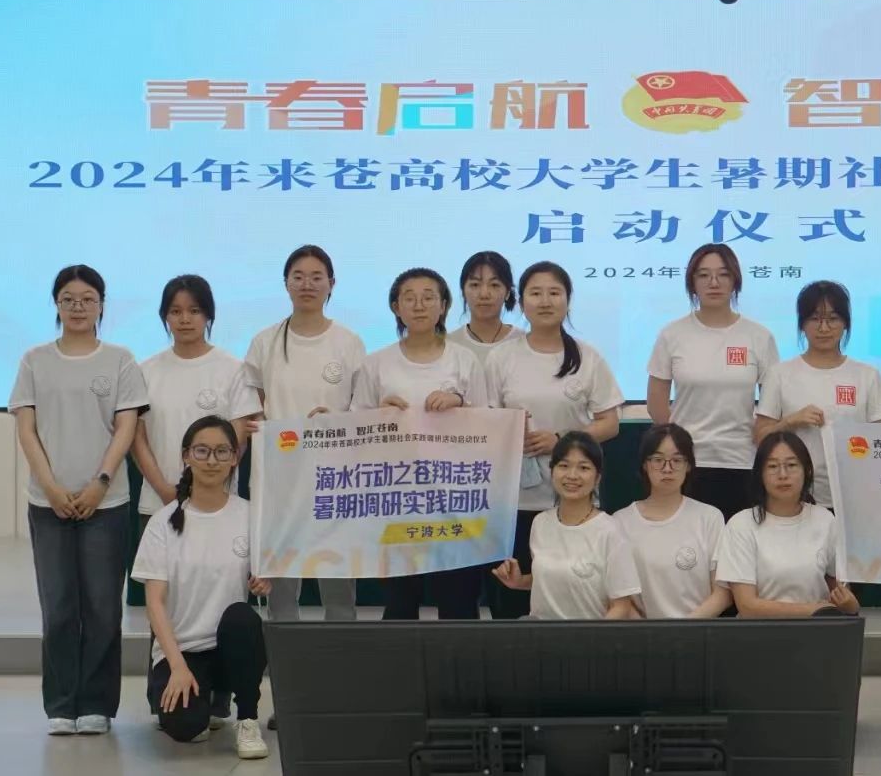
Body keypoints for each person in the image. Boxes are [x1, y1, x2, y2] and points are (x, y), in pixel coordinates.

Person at [9, 264, 149, 736]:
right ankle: (61, 705)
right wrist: (50, 486)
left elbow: (126, 427)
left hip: (106, 504)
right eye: (68, 299)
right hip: (46, 502)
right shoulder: (34, 360)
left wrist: (101, 481)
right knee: (59, 607)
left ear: (102, 305)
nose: (78, 307)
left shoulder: (120, 359)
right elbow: (26, 429)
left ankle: (96, 705)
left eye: (88, 299)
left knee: (103, 607)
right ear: (56, 304)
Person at [242, 245, 365, 729]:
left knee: (339, 597)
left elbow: (363, 410)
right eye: (298, 275)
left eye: (317, 276)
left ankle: (338, 695)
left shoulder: (349, 342)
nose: (308, 283)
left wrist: (335, 421)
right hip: (280, 484)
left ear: (332, 284)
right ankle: (290, 699)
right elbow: (249, 406)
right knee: (282, 597)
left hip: (336, 484)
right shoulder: (265, 342)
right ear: (286, 283)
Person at [484, 262, 624, 619]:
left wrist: (560, 441)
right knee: (511, 600)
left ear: (567, 299)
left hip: (574, 502)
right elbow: (486, 424)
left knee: (575, 597)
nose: (545, 301)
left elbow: (610, 423)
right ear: (521, 301)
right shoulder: (502, 357)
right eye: (535, 293)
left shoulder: (587, 356)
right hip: (513, 504)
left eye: (554, 293)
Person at [351, 267, 488, 620]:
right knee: (400, 602)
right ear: (395, 307)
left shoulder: (464, 360)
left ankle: (457, 659)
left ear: (444, 306)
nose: (419, 305)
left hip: (454, 495)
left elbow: (488, 426)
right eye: (409, 298)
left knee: (458, 601)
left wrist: (459, 402)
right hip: (397, 497)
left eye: (429, 297)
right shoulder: (376, 363)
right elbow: (356, 428)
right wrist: (380, 415)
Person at [131, 416, 272, 759]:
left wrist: (264, 581)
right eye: (202, 451)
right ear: (186, 456)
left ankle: (248, 720)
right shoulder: (162, 523)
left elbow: (266, 575)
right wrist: (177, 666)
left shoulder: (250, 515)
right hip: (183, 652)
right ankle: (199, 700)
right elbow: (155, 603)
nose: (212, 460)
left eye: (222, 451)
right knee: (186, 729)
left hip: (227, 649)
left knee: (243, 618)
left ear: (235, 458)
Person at [647, 243, 779, 521]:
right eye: (704, 275)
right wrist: (677, 447)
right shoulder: (672, 334)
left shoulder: (759, 336)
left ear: (735, 280)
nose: (714, 283)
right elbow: (656, 403)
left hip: (742, 461)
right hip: (687, 463)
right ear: (692, 283)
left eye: (723, 274)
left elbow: (772, 404)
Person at [756, 280, 881, 509]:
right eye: (815, 319)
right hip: (797, 497)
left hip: (854, 496)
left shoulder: (867, 375)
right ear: (802, 324)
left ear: (845, 324)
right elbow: (760, 437)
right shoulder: (780, 374)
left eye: (833, 319)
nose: (824, 328)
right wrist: (790, 421)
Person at [133, 275, 261, 526]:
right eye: (175, 311)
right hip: (158, 503)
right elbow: (138, 439)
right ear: (165, 316)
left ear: (208, 315)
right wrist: (164, 490)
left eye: (194, 311)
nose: (184, 319)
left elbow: (238, 437)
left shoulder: (234, 369)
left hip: (218, 503)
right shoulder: (145, 371)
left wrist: (204, 490)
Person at [491, 432, 641, 619]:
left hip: (591, 634)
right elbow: (554, 578)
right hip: (541, 633)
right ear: (552, 471)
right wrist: (520, 582)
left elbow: (621, 606)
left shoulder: (611, 531)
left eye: (583, 468)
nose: (572, 475)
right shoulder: (541, 523)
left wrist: (593, 635)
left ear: (597, 477)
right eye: (564, 466)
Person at [715, 432, 858, 618]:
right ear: (760, 475)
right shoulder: (741, 524)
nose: (783, 475)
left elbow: (841, 593)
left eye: (791, 465)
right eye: (772, 466)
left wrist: (849, 604)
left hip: (818, 630)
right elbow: (747, 606)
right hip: (759, 632)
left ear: (807, 471)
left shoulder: (825, 519)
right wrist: (814, 611)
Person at [613, 424, 730, 618]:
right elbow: (618, 595)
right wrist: (648, 632)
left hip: (699, 630)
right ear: (645, 465)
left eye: (677, 460)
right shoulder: (620, 522)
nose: (667, 469)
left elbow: (722, 594)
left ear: (689, 465)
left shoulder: (709, 517)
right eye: (658, 460)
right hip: (642, 632)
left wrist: (683, 630)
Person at [445, 250, 523, 365]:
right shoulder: (448, 345)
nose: (484, 294)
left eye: (494, 285)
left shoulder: (524, 342)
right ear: (463, 291)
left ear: (507, 293)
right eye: (475, 285)